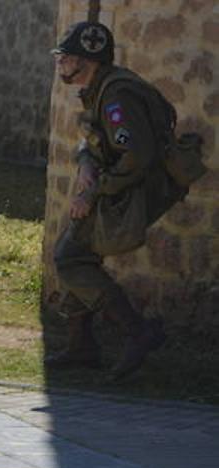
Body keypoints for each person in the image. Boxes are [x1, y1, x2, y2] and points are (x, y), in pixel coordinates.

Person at [48, 20, 193, 381]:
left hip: (135, 189)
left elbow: (137, 156)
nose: (61, 62)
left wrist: (92, 192)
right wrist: (85, 165)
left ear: (90, 59)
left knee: (70, 257)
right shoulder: (102, 88)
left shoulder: (116, 96)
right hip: (119, 184)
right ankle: (82, 345)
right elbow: (93, 139)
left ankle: (137, 331)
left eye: (68, 57)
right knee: (77, 253)